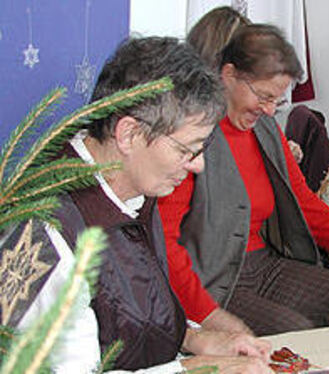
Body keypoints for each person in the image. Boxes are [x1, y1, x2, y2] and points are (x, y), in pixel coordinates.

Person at [9, 37, 272, 373]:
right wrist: (199, 369)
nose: (198, 166)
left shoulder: (135, 184)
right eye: (186, 150)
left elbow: (129, 313)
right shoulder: (48, 234)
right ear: (129, 134)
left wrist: (191, 338)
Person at [158, 24, 329, 336]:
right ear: (228, 74)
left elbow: (305, 204)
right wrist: (206, 316)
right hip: (213, 280)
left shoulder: (266, 130)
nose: (269, 110)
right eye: (263, 96)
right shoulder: (192, 137)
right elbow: (164, 243)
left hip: (265, 265)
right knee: (298, 334)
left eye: (277, 100)